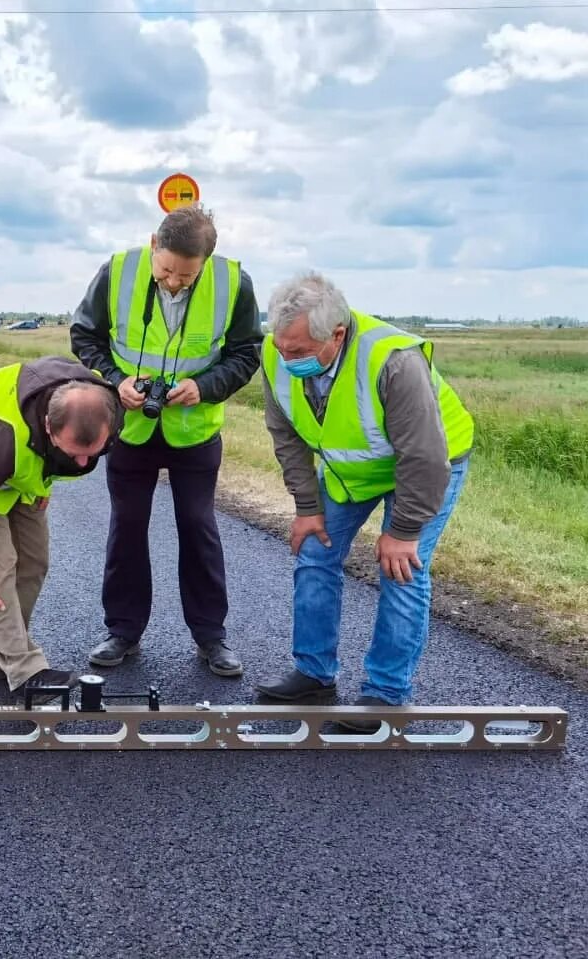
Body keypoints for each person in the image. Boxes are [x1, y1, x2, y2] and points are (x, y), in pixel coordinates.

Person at [252, 272, 474, 732]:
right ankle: (313, 674)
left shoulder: (393, 361)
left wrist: (404, 531)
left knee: (402, 569)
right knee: (315, 551)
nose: (286, 357)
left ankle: (385, 695)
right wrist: (306, 507)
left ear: (336, 334)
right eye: (281, 346)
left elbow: (424, 455)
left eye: (298, 351)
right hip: (352, 468)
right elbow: (287, 436)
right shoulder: (276, 355)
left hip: (428, 465)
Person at [70, 204, 262, 677]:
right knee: (127, 528)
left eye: (187, 276)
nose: (175, 282)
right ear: (153, 245)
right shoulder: (117, 271)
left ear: (207, 261)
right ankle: (123, 632)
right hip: (131, 429)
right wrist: (116, 380)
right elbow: (84, 337)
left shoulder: (233, 282)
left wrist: (206, 387)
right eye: (167, 271)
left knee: (198, 527)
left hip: (194, 430)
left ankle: (211, 638)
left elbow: (246, 354)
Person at [0, 357, 122, 702]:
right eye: (74, 454)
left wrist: (43, 483)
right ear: (49, 427)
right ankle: (25, 672)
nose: (82, 464)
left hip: (23, 471)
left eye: (92, 454)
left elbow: (64, 450)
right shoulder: (5, 436)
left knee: (34, 561)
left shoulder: (107, 408)